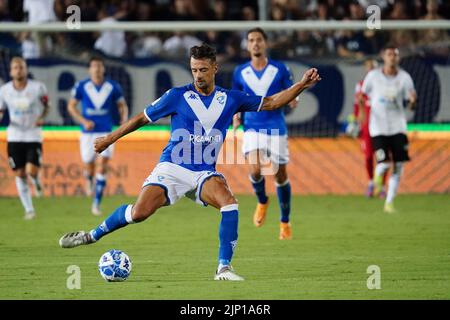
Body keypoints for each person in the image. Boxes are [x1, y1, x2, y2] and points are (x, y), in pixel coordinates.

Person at [58, 44, 321, 281]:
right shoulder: (176, 96)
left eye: (203, 69)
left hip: (203, 173)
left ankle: (223, 269)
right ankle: (91, 235)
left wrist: (301, 85)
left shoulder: (231, 98)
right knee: (139, 213)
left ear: (215, 68)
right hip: (172, 167)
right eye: (194, 69)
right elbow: (141, 118)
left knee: (229, 204)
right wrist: (110, 139)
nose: (198, 75)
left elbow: (273, 102)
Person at [232, 28, 297, 240]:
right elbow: (237, 99)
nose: (255, 43)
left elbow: (291, 92)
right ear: (247, 45)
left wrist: (294, 101)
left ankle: (285, 222)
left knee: (280, 175)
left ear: (265, 43)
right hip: (252, 127)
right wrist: (236, 116)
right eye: (251, 40)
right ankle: (262, 201)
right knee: (256, 168)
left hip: (276, 127)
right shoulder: (240, 72)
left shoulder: (280, 69)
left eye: (259, 40)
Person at [67, 57, 129, 215]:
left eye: (99, 65)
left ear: (103, 69)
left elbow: (122, 105)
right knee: (89, 164)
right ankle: (88, 177)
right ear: (89, 69)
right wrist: (83, 120)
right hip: (87, 133)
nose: (97, 68)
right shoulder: (82, 86)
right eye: (94, 66)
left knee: (102, 166)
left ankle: (96, 204)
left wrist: (123, 118)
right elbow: (71, 106)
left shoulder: (113, 86)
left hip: (106, 132)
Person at [360, 44, 416, 213]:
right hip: (378, 126)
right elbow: (362, 96)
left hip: (398, 126)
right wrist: (362, 113)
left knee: (398, 166)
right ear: (383, 57)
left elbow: (412, 105)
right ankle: (377, 180)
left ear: (398, 58)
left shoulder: (405, 78)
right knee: (384, 163)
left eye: (395, 55)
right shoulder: (373, 76)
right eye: (389, 54)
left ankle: (389, 203)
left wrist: (413, 102)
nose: (392, 57)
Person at [0, 57, 50, 219]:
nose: (18, 70)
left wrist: (42, 117)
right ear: (10, 71)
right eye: (15, 68)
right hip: (14, 136)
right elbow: (1, 110)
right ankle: (29, 210)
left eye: (21, 67)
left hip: (33, 135)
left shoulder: (38, 88)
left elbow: (47, 106)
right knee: (20, 173)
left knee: (31, 171)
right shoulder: (5, 90)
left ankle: (36, 181)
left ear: (26, 69)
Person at [352, 58, 387, 198]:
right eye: (369, 67)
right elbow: (357, 105)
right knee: (367, 156)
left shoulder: (383, 85)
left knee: (382, 157)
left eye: (373, 66)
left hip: (381, 126)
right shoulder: (361, 85)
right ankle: (371, 183)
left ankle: (382, 187)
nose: (371, 69)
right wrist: (356, 121)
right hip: (366, 126)